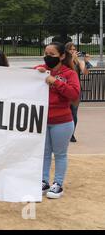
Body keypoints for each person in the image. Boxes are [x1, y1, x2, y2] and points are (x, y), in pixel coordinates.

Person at [35, 42, 80, 199]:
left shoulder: (69, 74)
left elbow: (74, 94)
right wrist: (36, 74)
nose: (48, 57)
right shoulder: (40, 69)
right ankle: (44, 181)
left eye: (52, 54)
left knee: (60, 154)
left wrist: (55, 81)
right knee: (45, 153)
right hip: (41, 121)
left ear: (62, 56)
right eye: (46, 53)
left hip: (62, 122)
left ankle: (58, 184)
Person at [65, 42, 89, 143]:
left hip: (76, 91)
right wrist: (71, 60)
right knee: (65, 112)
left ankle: (71, 134)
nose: (73, 51)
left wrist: (86, 62)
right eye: (71, 49)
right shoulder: (64, 62)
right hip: (65, 90)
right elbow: (70, 72)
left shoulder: (78, 62)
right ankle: (64, 133)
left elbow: (85, 73)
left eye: (74, 49)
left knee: (74, 113)